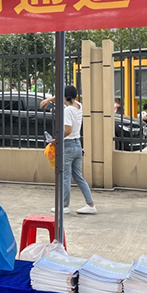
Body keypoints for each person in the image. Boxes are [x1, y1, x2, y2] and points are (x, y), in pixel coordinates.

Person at [49, 85, 96, 215]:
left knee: (65, 177)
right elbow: (63, 98)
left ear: (65, 97)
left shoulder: (67, 110)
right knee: (79, 177)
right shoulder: (79, 106)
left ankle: (64, 206)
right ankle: (90, 204)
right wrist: (48, 100)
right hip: (77, 145)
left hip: (68, 145)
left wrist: (56, 140)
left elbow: (68, 130)